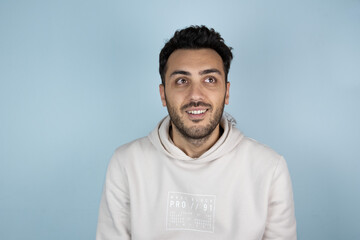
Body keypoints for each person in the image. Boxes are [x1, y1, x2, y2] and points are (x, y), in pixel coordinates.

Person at [96, 25, 297, 240]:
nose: (195, 95)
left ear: (226, 92)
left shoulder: (269, 168)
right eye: (182, 81)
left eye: (209, 80)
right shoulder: (126, 163)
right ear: (163, 94)